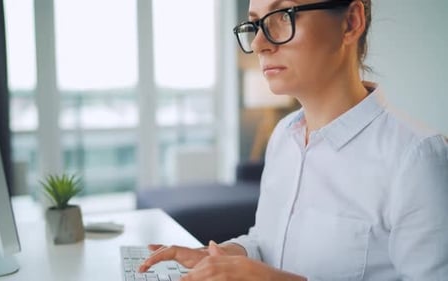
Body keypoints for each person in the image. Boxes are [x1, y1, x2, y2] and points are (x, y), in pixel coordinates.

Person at [138, 0, 448, 280]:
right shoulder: (283, 136)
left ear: (350, 22)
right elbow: (265, 242)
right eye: (255, 24)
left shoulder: (419, 157)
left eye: (282, 16)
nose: (259, 43)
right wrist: (217, 257)